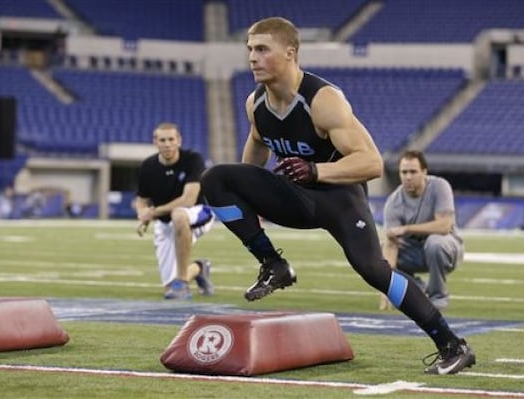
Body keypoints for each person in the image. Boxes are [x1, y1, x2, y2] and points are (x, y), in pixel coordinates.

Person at [200, 17, 475, 375]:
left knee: (373, 270)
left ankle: (452, 345)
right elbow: (255, 147)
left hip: (339, 198)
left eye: (262, 49)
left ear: (290, 53)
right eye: (250, 49)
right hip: (296, 195)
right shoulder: (256, 104)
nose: (252, 57)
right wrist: (248, 195)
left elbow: (372, 163)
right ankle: (274, 265)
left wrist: (317, 171)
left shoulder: (323, 100)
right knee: (216, 179)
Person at [135, 122, 215, 300]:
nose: (167, 144)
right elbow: (141, 199)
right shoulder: (148, 166)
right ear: (155, 142)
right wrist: (142, 214)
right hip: (165, 224)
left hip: (199, 214)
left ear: (179, 140)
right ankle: (199, 268)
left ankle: (183, 282)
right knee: (169, 289)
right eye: (162, 140)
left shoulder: (193, 159)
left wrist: (152, 212)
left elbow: (188, 200)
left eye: (171, 139)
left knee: (179, 214)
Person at [380, 150, 464, 311]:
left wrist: (406, 229)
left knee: (435, 242)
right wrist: (386, 289)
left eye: (413, 172)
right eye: (404, 172)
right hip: (414, 252)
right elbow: (391, 245)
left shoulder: (440, 186)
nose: (408, 177)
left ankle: (438, 296)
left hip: (446, 249)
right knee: (378, 252)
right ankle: (416, 288)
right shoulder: (393, 202)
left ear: (424, 172)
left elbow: (444, 226)